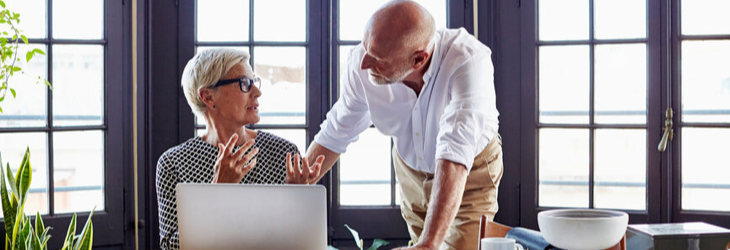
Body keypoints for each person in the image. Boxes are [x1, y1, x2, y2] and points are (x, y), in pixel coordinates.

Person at [304, 1, 503, 249]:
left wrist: (429, 244)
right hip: (410, 169)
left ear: (419, 58)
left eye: (377, 59)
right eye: (365, 47)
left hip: (469, 170)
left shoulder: (467, 61)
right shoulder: (362, 62)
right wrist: (297, 187)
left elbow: (455, 150)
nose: (364, 63)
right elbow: (337, 129)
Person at [156, 48, 323, 250]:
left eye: (255, 81)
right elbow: (171, 247)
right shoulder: (174, 163)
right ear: (208, 97)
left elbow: (302, 243)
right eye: (244, 83)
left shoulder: (283, 153)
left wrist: (298, 200)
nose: (257, 92)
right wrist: (217, 191)